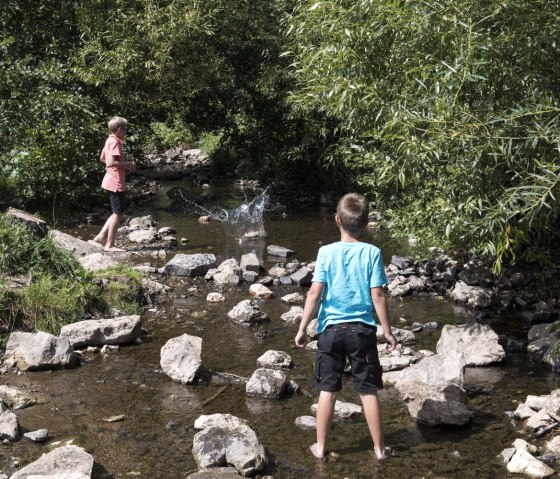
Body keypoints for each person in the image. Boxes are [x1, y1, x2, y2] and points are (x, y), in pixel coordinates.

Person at [294, 192, 397, 462]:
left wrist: (303, 328)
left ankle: (320, 448)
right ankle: (379, 449)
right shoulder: (372, 253)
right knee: (367, 390)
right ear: (365, 225)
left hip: (330, 331)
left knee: (328, 390)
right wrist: (386, 330)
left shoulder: (326, 252)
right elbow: (377, 295)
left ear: (337, 220)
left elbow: (314, 293)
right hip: (362, 331)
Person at [92, 116, 136, 252]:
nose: (126, 132)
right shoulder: (115, 142)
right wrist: (128, 164)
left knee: (116, 212)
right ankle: (109, 245)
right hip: (115, 182)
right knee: (119, 213)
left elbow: (102, 158)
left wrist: (123, 167)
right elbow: (111, 162)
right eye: (125, 129)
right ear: (119, 130)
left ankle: (100, 237)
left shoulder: (109, 139)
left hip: (110, 180)